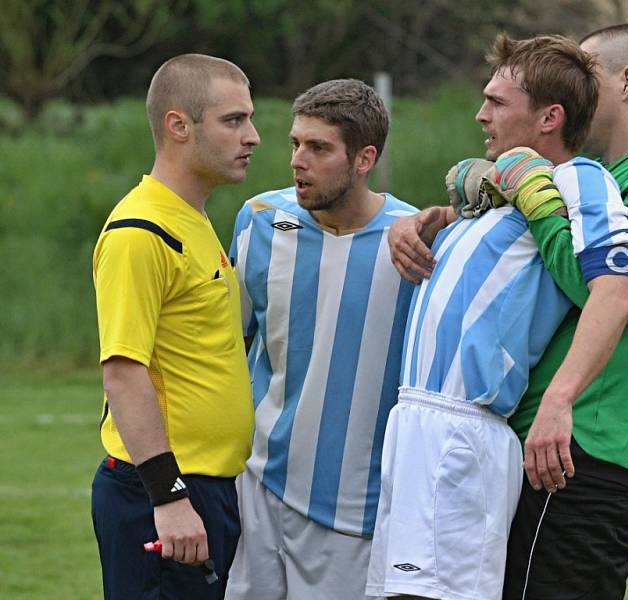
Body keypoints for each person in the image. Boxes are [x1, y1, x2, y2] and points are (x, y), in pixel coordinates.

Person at [390, 24, 628, 599]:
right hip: (543, 443)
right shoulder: (593, 177)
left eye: (584, 74)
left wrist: (537, 200)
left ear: (626, 82)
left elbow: (608, 284)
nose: (571, 93)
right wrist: (445, 218)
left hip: (588, 446)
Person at [367, 35, 628, 600]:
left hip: (460, 433)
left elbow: (614, 293)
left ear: (549, 118)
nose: (480, 113)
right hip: (414, 425)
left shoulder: (578, 180)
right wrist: (429, 222)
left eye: (497, 101)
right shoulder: (501, 189)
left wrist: (560, 400)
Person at [224, 79, 418, 600]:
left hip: (355, 507)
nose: (297, 161)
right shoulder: (260, 221)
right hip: (256, 490)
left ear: (364, 159)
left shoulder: (415, 243)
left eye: (319, 148)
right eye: (295, 144)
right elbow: (231, 346)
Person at [91, 54, 259, 599]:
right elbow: (122, 374)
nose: (252, 136)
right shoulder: (142, 230)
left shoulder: (193, 219)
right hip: (162, 494)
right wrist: (168, 497)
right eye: (233, 121)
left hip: (205, 489)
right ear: (178, 126)